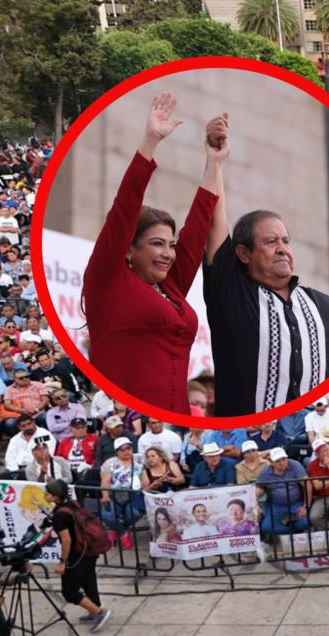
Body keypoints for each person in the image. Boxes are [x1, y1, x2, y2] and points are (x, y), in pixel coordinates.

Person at [82, 93, 228, 414]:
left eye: (170, 245)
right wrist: (150, 143)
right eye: (157, 244)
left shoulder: (170, 287)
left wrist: (213, 163)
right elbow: (124, 208)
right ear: (130, 248)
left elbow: (197, 229)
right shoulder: (108, 280)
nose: (169, 253)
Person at [204, 199, 329, 415]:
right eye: (270, 242)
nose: (282, 249)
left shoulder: (326, 307)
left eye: (285, 241)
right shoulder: (232, 296)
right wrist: (215, 164)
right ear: (244, 253)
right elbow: (212, 222)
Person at [44, 479, 111, 632]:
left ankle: (99, 613)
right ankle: (94, 608)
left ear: (56, 496)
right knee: (88, 581)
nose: (44, 496)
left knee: (69, 591)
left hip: (76, 555)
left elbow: (66, 539)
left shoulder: (59, 516)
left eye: (47, 494)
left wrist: (62, 562)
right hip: (88, 550)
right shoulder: (73, 504)